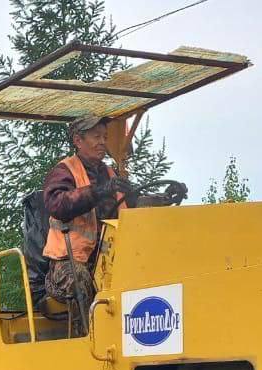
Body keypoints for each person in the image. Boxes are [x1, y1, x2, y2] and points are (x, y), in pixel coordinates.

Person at [41, 116, 185, 328]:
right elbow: (57, 205)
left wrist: (165, 197)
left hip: (109, 260)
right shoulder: (64, 171)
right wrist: (98, 192)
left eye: (105, 137)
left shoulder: (110, 174)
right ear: (78, 141)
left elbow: (133, 203)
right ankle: (88, 340)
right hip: (69, 262)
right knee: (80, 281)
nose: (102, 142)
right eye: (96, 136)